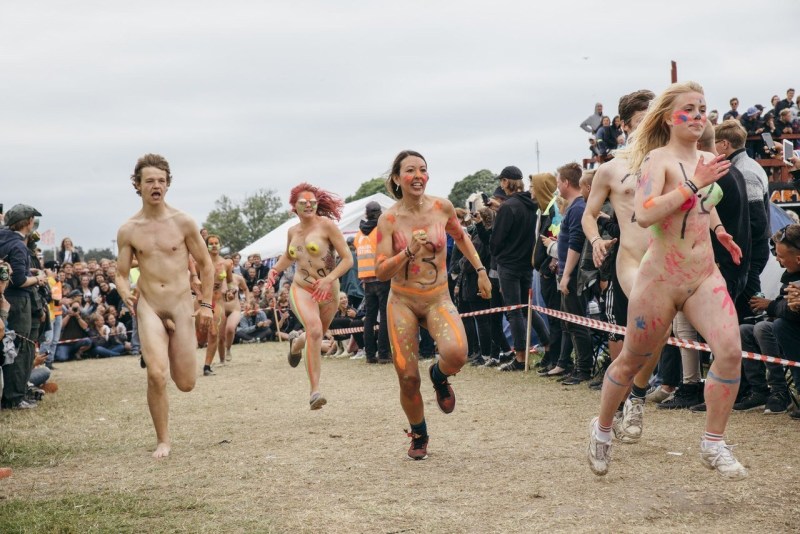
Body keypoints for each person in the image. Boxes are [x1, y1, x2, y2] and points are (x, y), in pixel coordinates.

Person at [587, 81, 747, 479]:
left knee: (730, 351)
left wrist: (721, 230)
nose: (697, 116)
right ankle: (603, 429)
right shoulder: (656, 161)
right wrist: (694, 184)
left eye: (702, 109)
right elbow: (644, 213)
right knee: (632, 361)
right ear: (667, 118)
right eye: (688, 109)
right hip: (658, 277)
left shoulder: (708, 157)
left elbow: (705, 206)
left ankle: (713, 443)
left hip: (702, 274)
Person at [375, 150, 491, 460]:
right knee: (407, 377)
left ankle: (439, 377)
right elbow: (381, 270)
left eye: (423, 170)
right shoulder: (388, 220)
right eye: (410, 171)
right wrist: (408, 252)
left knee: (457, 354)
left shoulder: (442, 207)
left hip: (438, 297)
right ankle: (419, 433)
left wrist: (480, 271)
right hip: (402, 301)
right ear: (398, 179)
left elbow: (462, 237)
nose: (418, 176)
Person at [116, 153, 214, 458]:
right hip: (149, 306)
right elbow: (121, 274)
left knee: (185, 383)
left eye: (161, 180)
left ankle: (175, 341)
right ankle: (163, 440)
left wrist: (207, 305)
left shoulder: (183, 222)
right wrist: (124, 292)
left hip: (181, 303)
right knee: (156, 374)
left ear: (168, 184)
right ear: (138, 185)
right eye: (149, 181)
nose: (156, 185)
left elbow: (206, 266)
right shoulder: (129, 229)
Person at [266, 183, 352, 410]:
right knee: (314, 330)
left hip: (328, 290)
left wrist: (329, 279)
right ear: (294, 206)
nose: (308, 205)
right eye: (303, 203)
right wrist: (274, 271)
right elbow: (288, 256)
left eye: (312, 202)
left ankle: (296, 343)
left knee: (315, 334)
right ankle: (315, 391)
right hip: (302, 288)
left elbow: (347, 259)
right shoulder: (292, 231)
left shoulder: (327, 226)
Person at [490, 165, 551, 371]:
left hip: (509, 264)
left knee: (514, 311)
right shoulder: (531, 205)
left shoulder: (509, 207)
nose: (501, 184)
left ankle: (520, 357)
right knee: (528, 309)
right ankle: (548, 345)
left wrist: (497, 252)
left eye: (502, 181)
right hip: (527, 263)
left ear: (506, 182)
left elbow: (497, 240)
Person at [0, 204, 45, 410]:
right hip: (18, 300)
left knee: (8, 346)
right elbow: (18, 280)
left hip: (5, 297)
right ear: (28, 222)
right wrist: (37, 278)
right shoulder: (18, 245)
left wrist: (28, 270)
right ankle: (15, 398)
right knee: (21, 347)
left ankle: (11, 395)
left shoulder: (3, 238)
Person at [354, 201, 391, 364]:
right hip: (382, 277)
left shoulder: (358, 235)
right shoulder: (381, 231)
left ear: (366, 214)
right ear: (379, 213)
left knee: (369, 317)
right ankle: (383, 354)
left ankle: (370, 354)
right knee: (384, 316)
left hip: (366, 280)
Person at [201, 235, 233, 374]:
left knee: (215, 334)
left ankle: (207, 366)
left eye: (216, 243)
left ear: (220, 245)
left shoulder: (226, 263)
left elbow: (230, 281)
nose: (214, 245)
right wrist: (199, 293)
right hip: (202, 301)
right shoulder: (201, 262)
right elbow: (192, 279)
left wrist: (230, 292)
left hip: (218, 301)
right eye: (211, 243)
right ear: (206, 245)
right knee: (202, 335)